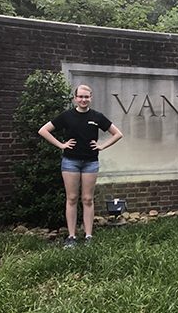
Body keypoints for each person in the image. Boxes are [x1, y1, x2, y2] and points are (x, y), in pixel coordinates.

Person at [38, 84, 123, 248]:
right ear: (75, 98)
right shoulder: (67, 116)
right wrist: (61, 145)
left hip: (90, 162)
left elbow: (118, 134)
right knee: (71, 198)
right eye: (80, 97)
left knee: (88, 199)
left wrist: (102, 146)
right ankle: (71, 237)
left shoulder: (97, 117)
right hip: (70, 162)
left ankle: (89, 236)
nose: (83, 100)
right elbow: (43, 130)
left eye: (87, 97)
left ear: (91, 98)